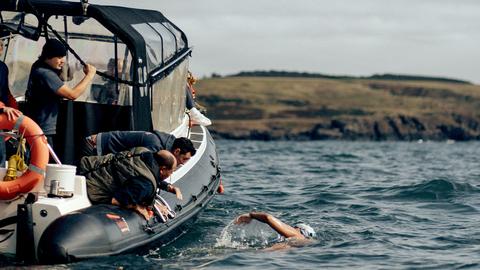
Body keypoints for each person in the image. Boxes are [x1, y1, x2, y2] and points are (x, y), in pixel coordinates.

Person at [25, 38, 96, 147]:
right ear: (48, 56)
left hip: (38, 127)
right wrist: (89, 75)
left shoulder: (38, 65)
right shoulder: (45, 74)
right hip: (42, 130)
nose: (62, 60)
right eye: (59, 57)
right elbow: (72, 95)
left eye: (63, 57)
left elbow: (62, 77)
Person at [78, 149, 182, 220]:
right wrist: (139, 208)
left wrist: (168, 187)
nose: (171, 174)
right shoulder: (146, 185)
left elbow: (139, 174)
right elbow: (117, 200)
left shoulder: (141, 153)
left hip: (84, 166)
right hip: (91, 187)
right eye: (171, 171)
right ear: (163, 169)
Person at [84, 130, 196, 166]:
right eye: (184, 159)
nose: (182, 163)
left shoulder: (161, 143)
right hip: (93, 146)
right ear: (177, 151)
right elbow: (139, 167)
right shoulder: (155, 145)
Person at [235, 211, 316, 249]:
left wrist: (251, 215)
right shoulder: (295, 243)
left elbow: (268, 218)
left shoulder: (296, 234)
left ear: (299, 229)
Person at [0, 39, 22, 166]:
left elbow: (5, 92)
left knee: (1, 159)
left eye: (1, 45)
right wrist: (3, 108)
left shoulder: (3, 68)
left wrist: (14, 109)